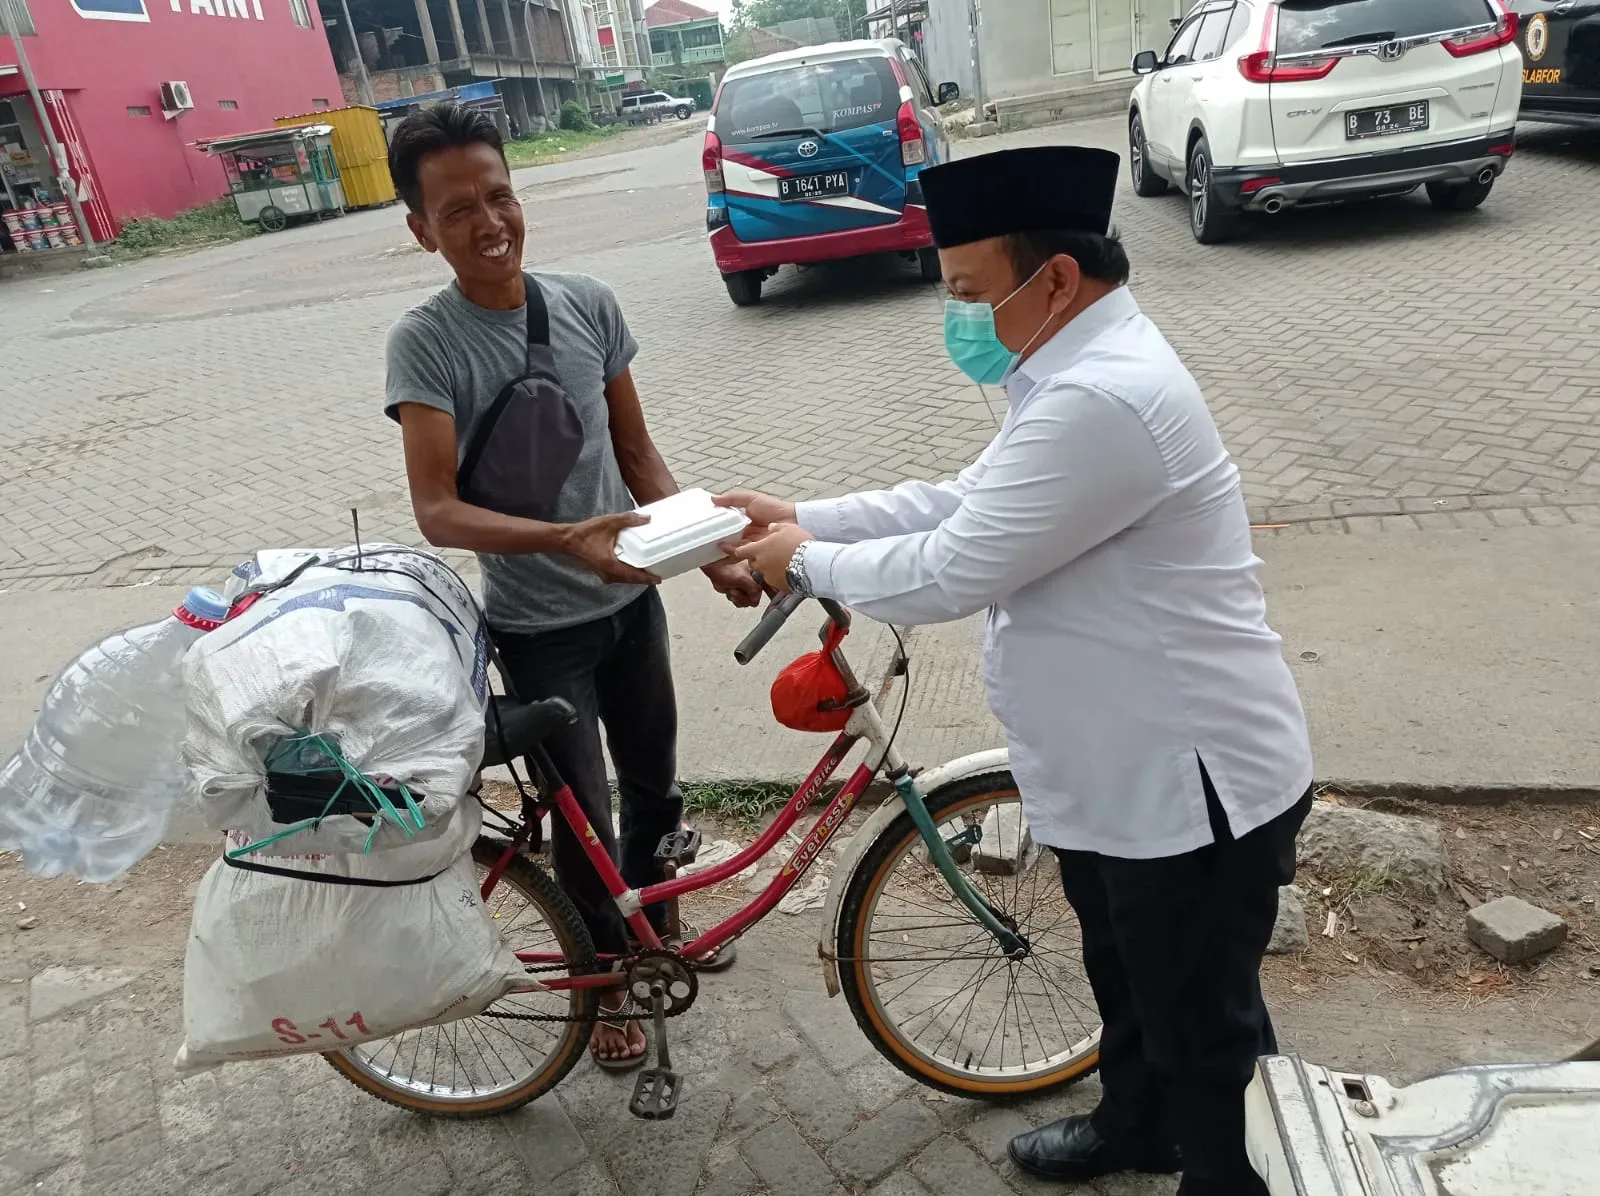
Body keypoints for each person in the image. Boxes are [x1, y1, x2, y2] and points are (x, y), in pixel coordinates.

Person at [719, 145, 1314, 1196]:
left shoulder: (1108, 398)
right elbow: (963, 498)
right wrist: (804, 515)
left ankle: (1228, 1176)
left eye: (966, 293)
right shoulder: (1069, 372)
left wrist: (802, 560)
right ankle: (1136, 1126)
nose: (958, 319)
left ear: (1054, 280)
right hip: (1116, 776)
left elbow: (954, 564)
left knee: (1205, 1032)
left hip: (1189, 787)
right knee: (1128, 978)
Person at [381, 102, 762, 1071]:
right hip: (537, 629)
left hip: (633, 606)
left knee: (655, 791)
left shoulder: (588, 304)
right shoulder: (425, 345)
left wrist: (706, 547)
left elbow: (637, 452)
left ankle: (654, 940)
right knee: (584, 825)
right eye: (457, 208)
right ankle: (605, 992)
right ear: (421, 230)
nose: (488, 221)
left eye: (499, 194)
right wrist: (566, 539)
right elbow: (437, 508)